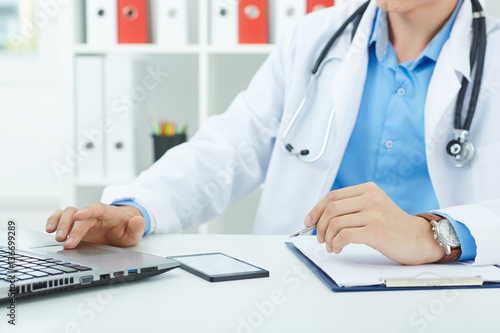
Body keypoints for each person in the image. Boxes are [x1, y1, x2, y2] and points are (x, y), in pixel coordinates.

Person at [47, 0, 500, 266]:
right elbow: (228, 147)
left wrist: (434, 235)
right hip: (306, 287)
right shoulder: (315, 38)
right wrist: (134, 207)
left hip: (451, 292)